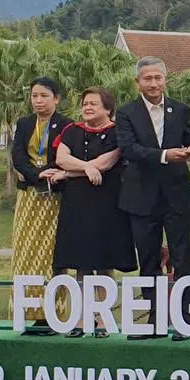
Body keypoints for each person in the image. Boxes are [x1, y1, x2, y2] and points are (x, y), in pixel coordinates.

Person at [116, 56, 190, 341]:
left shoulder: (181, 109)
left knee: (182, 257)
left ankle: (186, 320)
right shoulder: (126, 113)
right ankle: (154, 321)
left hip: (176, 195)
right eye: (147, 78)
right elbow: (128, 148)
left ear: (166, 79)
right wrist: (164, 155)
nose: (153, 83)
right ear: (137, 82)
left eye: (158, 78)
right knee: (149, 260)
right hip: (141, 197)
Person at [51, 87, 136, 337]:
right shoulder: (72, 130)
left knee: (104, 261)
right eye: (85, 103)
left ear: (108, 109)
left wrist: (70, 173)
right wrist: (86, 169)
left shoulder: (118, 131)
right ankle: (80, 319)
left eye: (94, 104)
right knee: (81, 262)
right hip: (77, 202)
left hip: (107, 202)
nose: (87, 107)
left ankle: (103, 318)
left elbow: (107, 162)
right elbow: (61, 158)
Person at [10, 77, 72, 334]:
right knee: (25, 253)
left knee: (51, 254)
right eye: (34, 96)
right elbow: (18, 156)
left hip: (55, 197)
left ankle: (54, 315)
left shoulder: (66, 125)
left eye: (44, 96)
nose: (38, 101)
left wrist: (49, 172)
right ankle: (27, 312)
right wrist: (36, 174)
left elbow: (65, 157)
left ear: (56, 99)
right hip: (28, 196)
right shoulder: (24, 123)